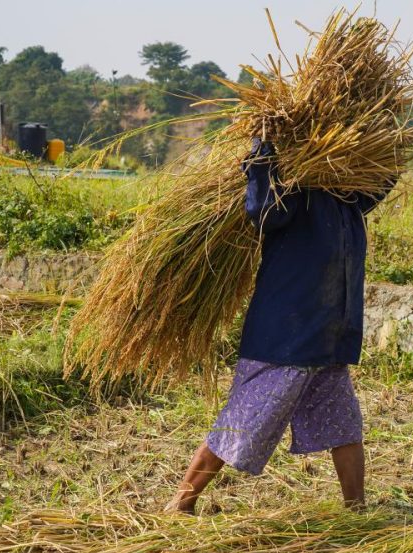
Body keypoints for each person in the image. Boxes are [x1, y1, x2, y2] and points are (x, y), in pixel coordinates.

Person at [164, 137, 394, 514]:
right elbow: (263, 212)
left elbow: (379, 184)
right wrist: (263, 157)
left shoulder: (347, 200)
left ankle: (356, 509)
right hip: (285, 334)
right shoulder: (296, 192)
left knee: (344, 423)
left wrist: (386, 150)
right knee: (245, 418)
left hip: (329, 336)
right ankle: (182, 502)